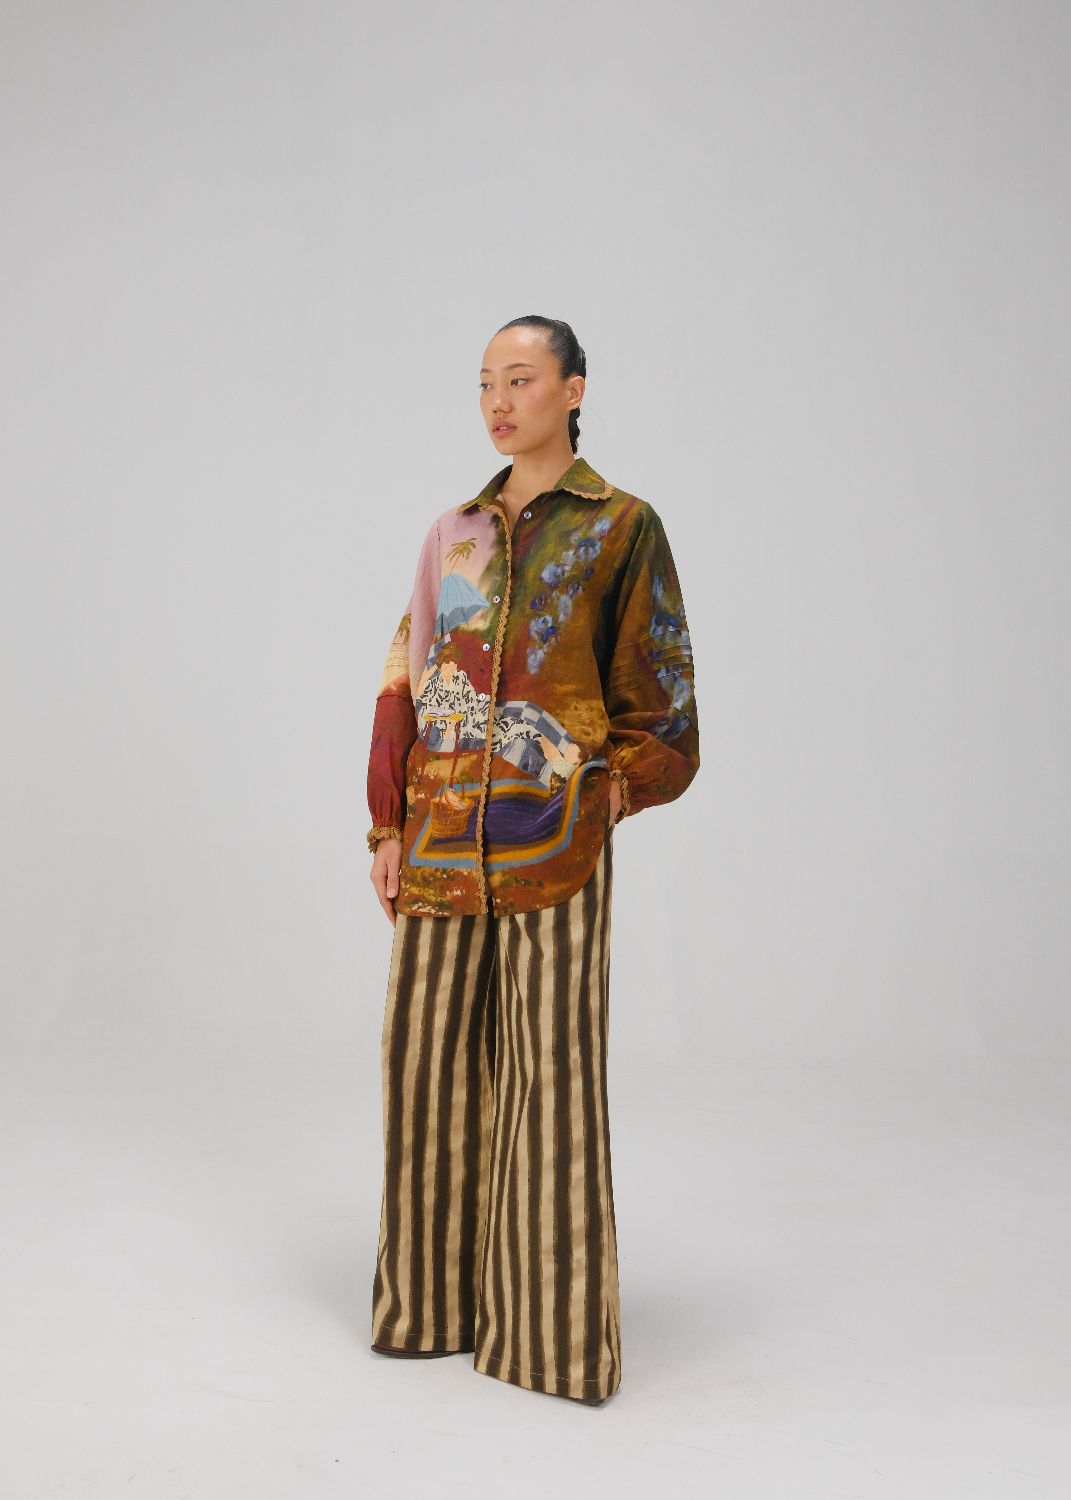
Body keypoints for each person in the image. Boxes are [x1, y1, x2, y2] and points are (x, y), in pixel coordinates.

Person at [365, 314, 701, 1405]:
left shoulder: (622, 529)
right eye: (484, 384)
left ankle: (548, 1339)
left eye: (520, 379)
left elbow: (665, 706)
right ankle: (429, 1309)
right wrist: (386, 825)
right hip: (437, 846)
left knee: (549, 1085)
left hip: (553, 851)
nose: (499, 402)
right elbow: (405, 678)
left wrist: (603, 798)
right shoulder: (453, 533)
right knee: (424, 1073)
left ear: (574, 390)